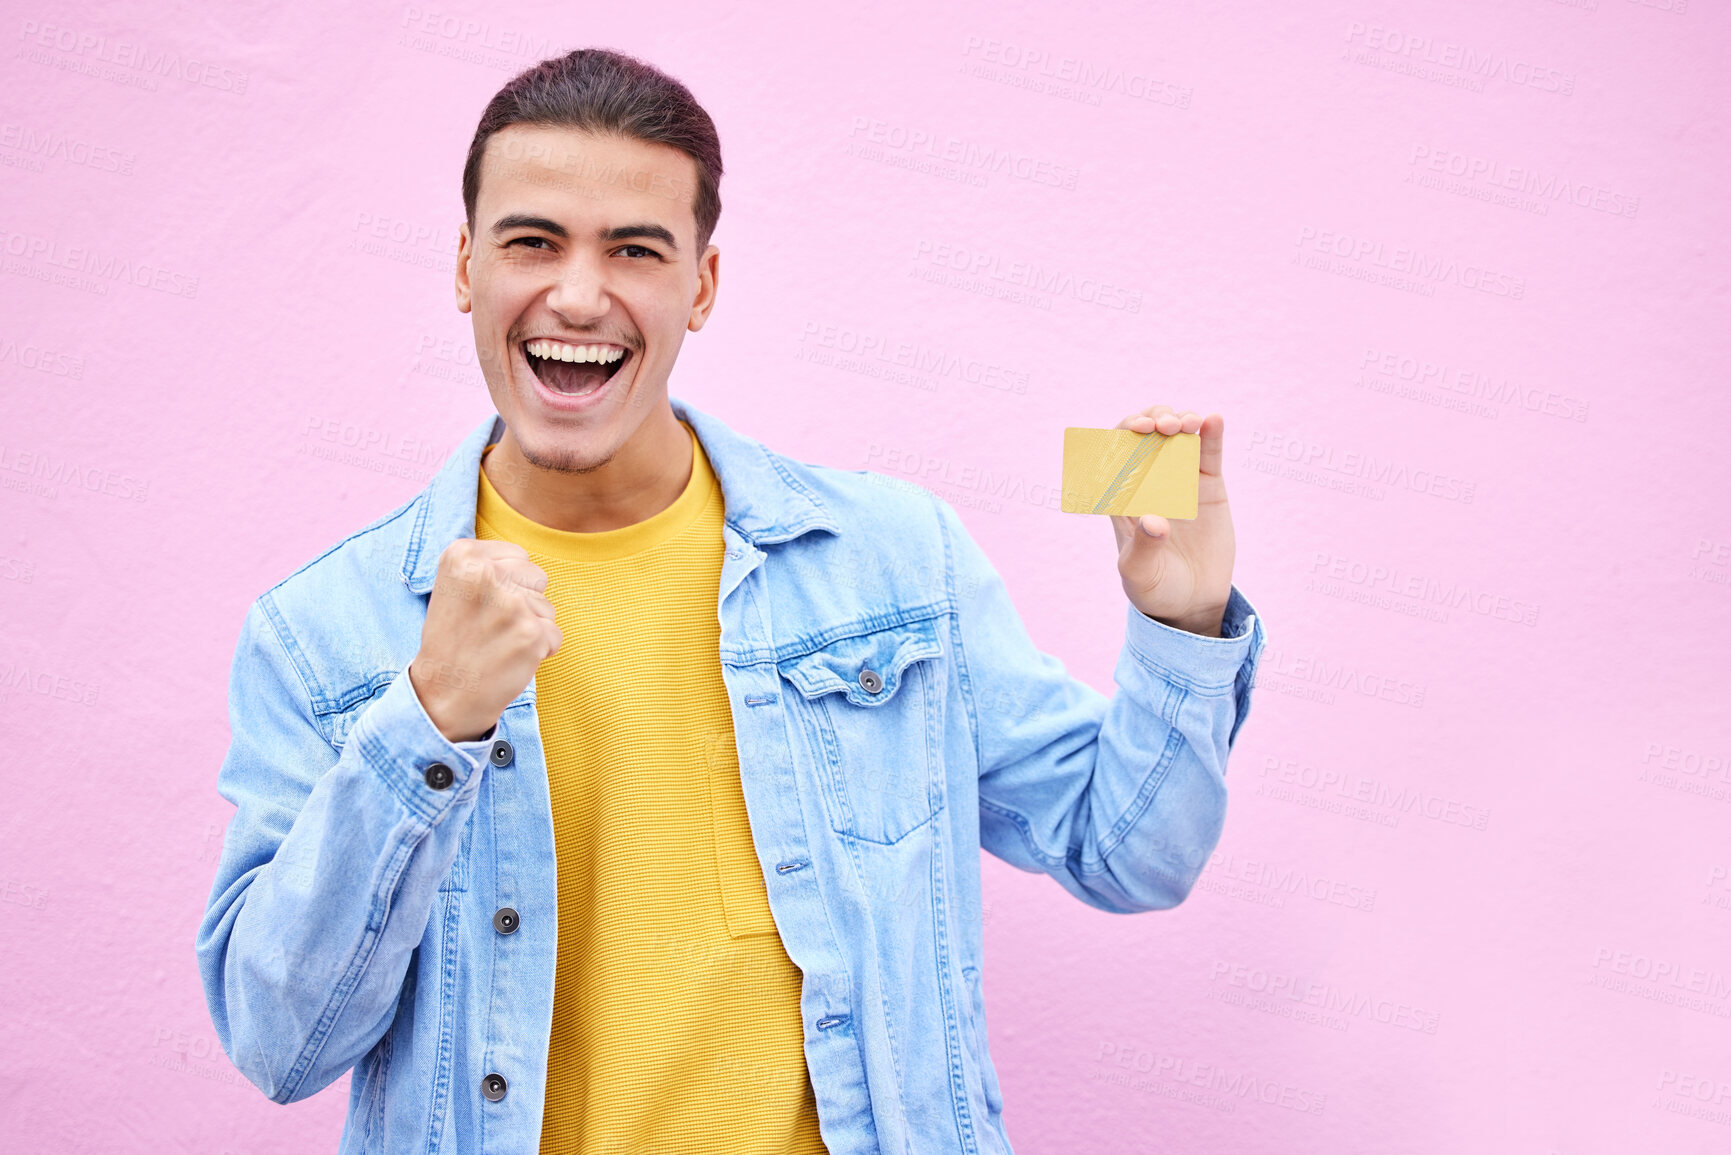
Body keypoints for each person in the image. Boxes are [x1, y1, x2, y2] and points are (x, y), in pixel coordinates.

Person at [194, 47, 1267, 1155]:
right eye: (531, 243)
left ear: (700, 287)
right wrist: (426, 722)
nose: (575, 293)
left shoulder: (891, 565)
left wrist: (1180, 626)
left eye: (634, 250)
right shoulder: (321, 633)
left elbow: (1132, 855)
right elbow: (279, 1044)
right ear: (466, 267)